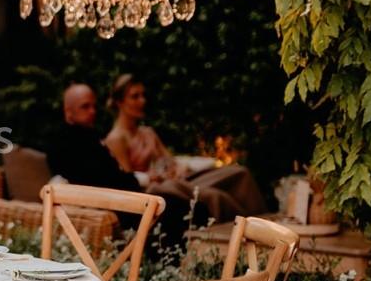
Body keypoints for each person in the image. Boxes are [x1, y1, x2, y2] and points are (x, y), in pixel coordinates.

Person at [46, 83, 197, 245]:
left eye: (93, 106)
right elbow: (103, 180)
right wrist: (144, 179)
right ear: (69, 112)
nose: (93, 111)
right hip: (108, 205)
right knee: (178, 207)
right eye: (85, 107)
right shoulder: (67, 143)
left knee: (181, 205)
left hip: (117, 197)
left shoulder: (86, 136)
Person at [104, 73, 266, 221]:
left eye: (143, 95)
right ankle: (246, 229)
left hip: (177, 179)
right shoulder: (117, 138)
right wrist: (155, 176)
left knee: (240, 173)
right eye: (135, 97)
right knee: (215, 196)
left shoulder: (147, 132)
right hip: (154, 190)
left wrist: (178, 168)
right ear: (120, 102)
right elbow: (127, 180)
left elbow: (169, 160)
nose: (142, 101)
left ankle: (265, 221)